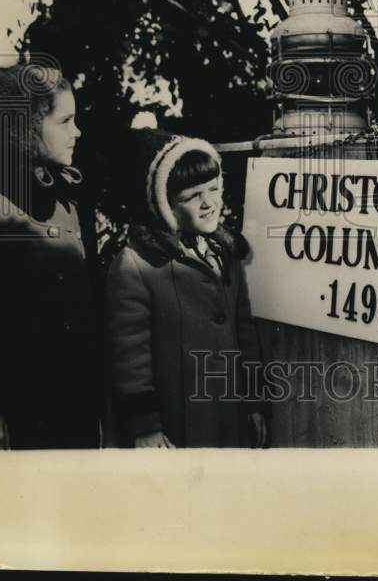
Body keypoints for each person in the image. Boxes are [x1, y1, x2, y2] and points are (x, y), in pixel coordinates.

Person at [0, 63, 101, 449]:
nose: (76, 132)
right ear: (24, 128)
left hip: (73, 404)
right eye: (64, 121)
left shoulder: (63, 200)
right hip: (20, 412)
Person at [105, 128, 268, 449]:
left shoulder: (224, 253)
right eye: (193, 196)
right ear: (163, 205)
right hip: (174, 428)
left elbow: (245, 335)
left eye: (214, 188)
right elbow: (129, 359)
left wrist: (254, 404)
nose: (209, 203)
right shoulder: (137, 265)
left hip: (229, 417)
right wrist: (145, 428)